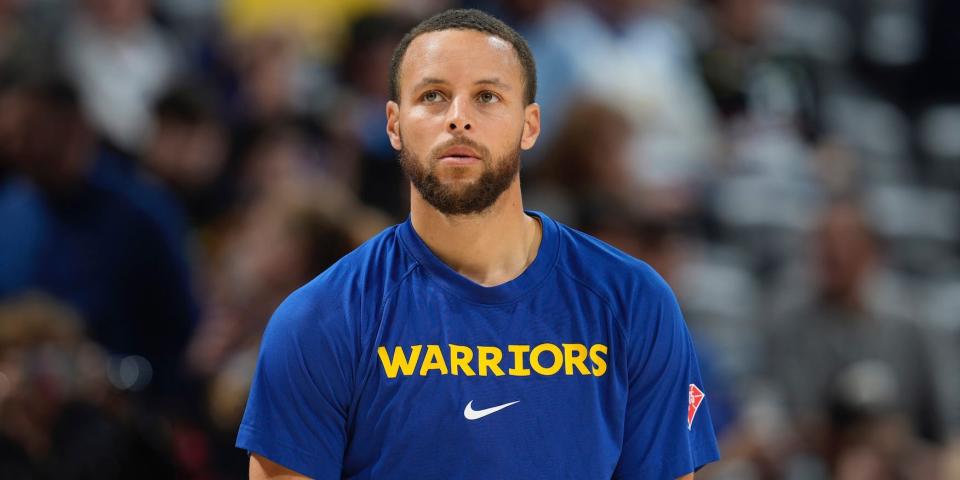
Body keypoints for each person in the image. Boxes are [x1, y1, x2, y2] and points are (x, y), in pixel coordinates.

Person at [236, 9, 720, 479]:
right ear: (393, 124)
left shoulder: (632, 302)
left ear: (530, 125)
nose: (458, 118)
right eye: (432, 96)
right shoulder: (320, 319)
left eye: (487, 97)